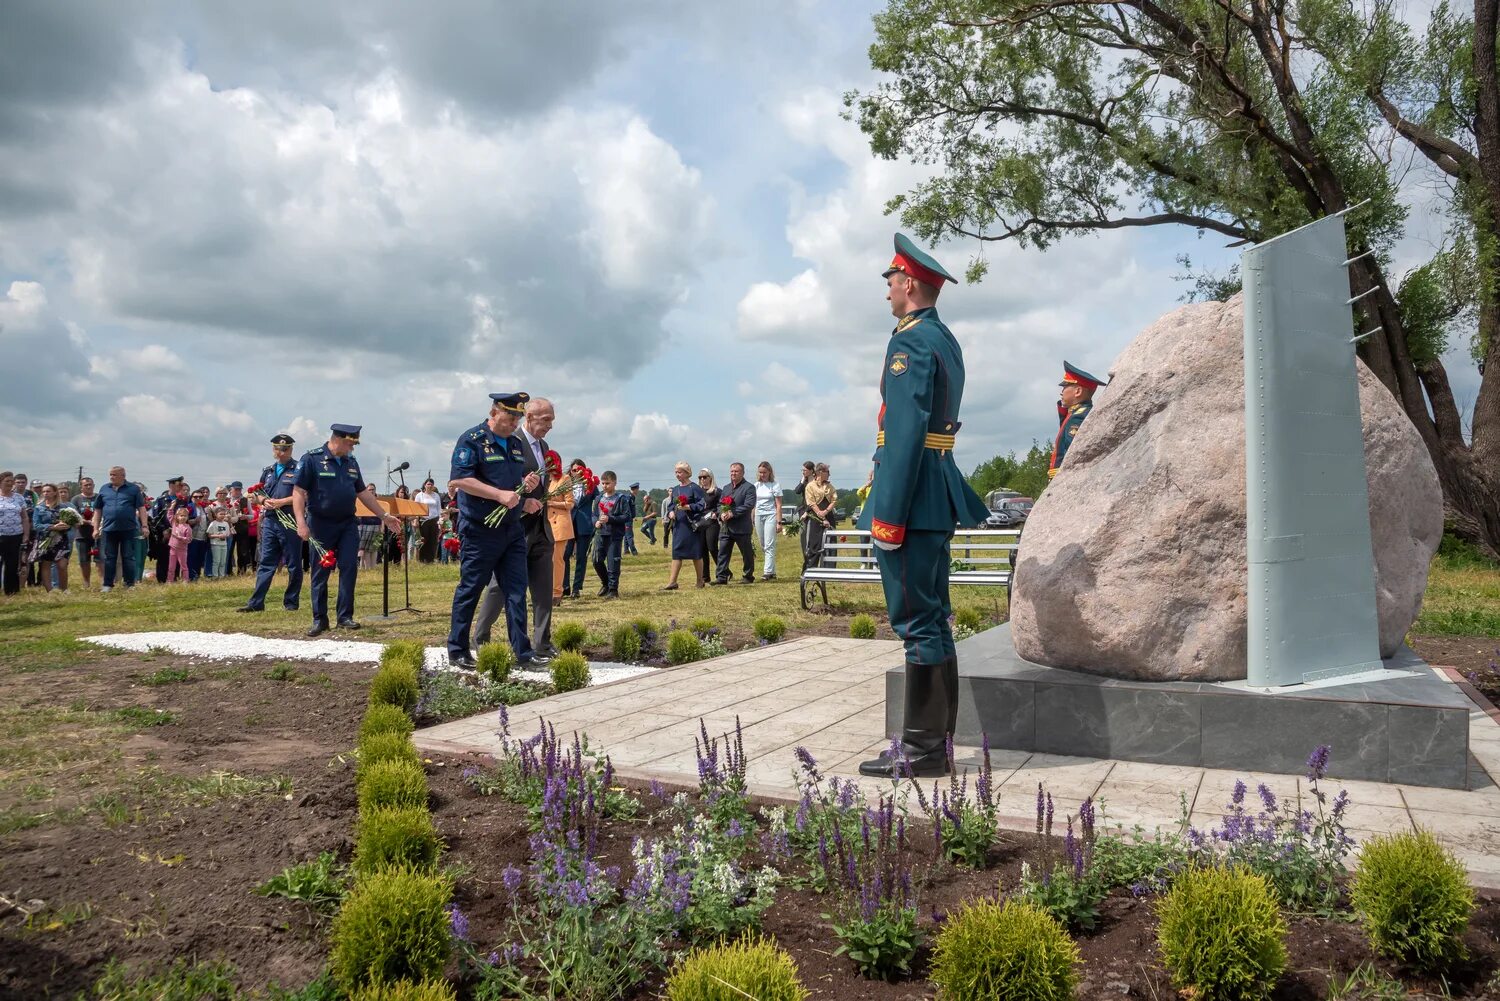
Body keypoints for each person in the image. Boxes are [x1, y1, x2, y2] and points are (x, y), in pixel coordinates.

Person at [856, 233, 990, 779]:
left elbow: (907, 430)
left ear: (908, 284)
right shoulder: (945, 339)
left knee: (917, 621)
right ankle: (933, 744)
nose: (886, 290)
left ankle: (922, 751)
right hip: (936, 493)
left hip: (911, 501)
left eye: (890, 280)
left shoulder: (908, 342)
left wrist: (886, 514)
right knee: (934, 619)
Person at [446, 392, 541, 668]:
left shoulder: (513, 444)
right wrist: (499, 495)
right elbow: (461, 479)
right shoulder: (471, 440)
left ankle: (522, 652)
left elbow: (511, 486)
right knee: (471, 588)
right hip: (480, 529)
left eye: (518, 418)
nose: (514, 423)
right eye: (510, 416)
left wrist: (525, 496)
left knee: (515, 590)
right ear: (494, 412)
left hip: (511, 529)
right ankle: (458, 649)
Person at [293, 423, 400, 636]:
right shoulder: (312, 459)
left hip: (348, 523)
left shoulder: (351, 462)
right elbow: (298, 491)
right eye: (351, 444)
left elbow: (363, 493)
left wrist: (384, 516)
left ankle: (344, 616)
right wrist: (301, 522)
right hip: (320, 524)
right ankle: (319, 619)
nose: (353, 448)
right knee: (321, 571)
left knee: (349, 567)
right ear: (339, 439)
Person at [474, 397, 556, 657]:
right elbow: (500, 483)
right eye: (545, 420)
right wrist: (521, 504)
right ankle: (481, 637)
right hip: (516, 526)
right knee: (501, 586)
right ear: (529, 417)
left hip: (541, 527)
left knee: (543, 587)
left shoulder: (543, 446)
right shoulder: (511, 442)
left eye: (552, 421)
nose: (550, 426)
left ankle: (542, 643)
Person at [239, 434, 305, 613]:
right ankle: (256, 602)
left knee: (293, 563)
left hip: (290, 520)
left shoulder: (299, 468)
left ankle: (291, 602)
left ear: (291, 449)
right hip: (270, 521)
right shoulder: (268, 470)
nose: (280, 452)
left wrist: (282, 501)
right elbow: (257, 493)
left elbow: (305, 495)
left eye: (284, 449)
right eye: (277, 448)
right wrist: (261, 500)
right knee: (266, 562)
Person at [92, 466, 148, 591]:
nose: (112, 477)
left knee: (128, 556)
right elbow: (98, 509)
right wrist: (95, 528)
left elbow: (141, 508)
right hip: (108, 529)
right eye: (110, 475)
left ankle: (129, 584)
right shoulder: (104, 489)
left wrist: (144, 526)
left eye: (114, 475)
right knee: (109, 557)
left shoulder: (133, 489)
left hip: (128, 528)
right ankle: (107, 584)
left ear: (123, 476)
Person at [1049, 361, 1108, 478]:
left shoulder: (1079, 417)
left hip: (1065, 477)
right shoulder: (1074, 413)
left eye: (1065, 386)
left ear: (1078, 391)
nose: (1061, 392)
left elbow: (1073, 451)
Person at [662, 462, 706, 590]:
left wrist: (689, 507)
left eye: (679, 472)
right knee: (677, 552)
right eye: (676, 472)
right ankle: (672, 582)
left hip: (692, 524)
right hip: (679, 524)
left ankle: (699, 580)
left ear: (687, 473)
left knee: (695, 553)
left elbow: (702, 505)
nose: (677, 474)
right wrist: (670, 511)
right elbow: (671, 504)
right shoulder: (675, 489)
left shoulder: (695, 488)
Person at [711, 462, 756, 585]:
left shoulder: (749, 487)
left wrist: (733, 513)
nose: (733, 473)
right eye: (731, 471)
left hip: (742, 527)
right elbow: (720, 504)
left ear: (742, 473)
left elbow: (749, 505)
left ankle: (748, 576)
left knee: (746, 554)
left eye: (736, 471)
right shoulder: (726, 488)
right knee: (723, 553)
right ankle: (721, 577)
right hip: (726, 527)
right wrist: (721, 514)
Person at [29, 484, 76, 592]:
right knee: (46, 564)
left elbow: (71, 523)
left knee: (62, 564)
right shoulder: (39, 508)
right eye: (44, 492)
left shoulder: (63, 507)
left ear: (55, 492)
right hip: (45, 540)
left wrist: (66, 526)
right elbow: (36, 525)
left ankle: (64, 589)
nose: (46, 493)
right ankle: (50, 590)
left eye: (48, 491)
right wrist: (52, 527)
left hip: (61, 539)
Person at [562, 458, 597, 599]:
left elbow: (599, 499)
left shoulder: (591, 484)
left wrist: (595, 518)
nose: (575, 472)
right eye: (573, 470)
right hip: (569, 522)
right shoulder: (566, 483)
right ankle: (565, 586)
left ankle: (577, 588)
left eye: (578, 469)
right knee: (565, 555)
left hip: (584, 523)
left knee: (581, 557)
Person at [592, 471, 629, 597]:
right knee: (596, 560)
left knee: (613, 561)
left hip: (614, 534)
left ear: (614, 482)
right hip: (601, 533)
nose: (604, 486)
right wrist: (596, 521)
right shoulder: (598, 498)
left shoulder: (621, 498)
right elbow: (594, 515)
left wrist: (611, 519)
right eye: (603, 483)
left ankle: (613, 589)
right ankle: (605, 583)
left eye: (607, 483)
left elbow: (626, 516)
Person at [545, 457, 575, 604]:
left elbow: (570, 504)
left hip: (559, 524)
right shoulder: (543, 479)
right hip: (544, 524)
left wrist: (550, 503)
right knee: (543, 561)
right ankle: (544, 592)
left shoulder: (565, 478)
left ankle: (556, 593)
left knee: (556, 560)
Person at [802, 463, 836, 569]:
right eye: (827, 472)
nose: (829, 475)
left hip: (828, 516)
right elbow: (811, 503)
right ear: (820, 472)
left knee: (830, 542)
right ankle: (811, 568)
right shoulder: (810, 486)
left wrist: (826, 511)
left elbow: (834, 500)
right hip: (815, 518)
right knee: (814, 544)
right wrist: (820, 514)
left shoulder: (830, 486)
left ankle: (830, 569)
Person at [0, 472, 28, 596]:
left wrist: (26, 535)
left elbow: (25, 518)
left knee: (12, 564)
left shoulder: (19, 498)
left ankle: (11, 591)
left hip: (15, 535)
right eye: (7, 481)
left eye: (12, 481)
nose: (10, 483)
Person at [753, 461, 782, 580]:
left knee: (769, 544)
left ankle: (767, 572)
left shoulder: (775, 485)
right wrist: (752, 519)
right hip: (759, 515)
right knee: (763, 544)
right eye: (760, 472)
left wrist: (779, 522)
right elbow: (753, 504)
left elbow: (779, 505)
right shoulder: (756, 486)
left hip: (771, 514)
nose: (762, 474)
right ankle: (773, 572)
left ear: (769, 472)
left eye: (764, 472)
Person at [71, 476, 100, 587]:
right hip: (82, 535)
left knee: (100, 559)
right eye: (86, 485)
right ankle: (86, 582)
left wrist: (97, 522)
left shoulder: (99, 497)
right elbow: (74, 516)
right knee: (84, 560)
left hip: (98, 534)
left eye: (90, 484)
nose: (88, 487)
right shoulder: (76, 499)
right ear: (81, 487)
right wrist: (88, 522)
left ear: (94, 486)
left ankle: (103, 581)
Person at [695, 469, 721, 586]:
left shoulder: (716, 492)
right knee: (702, 550)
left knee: (712, 547)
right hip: (701, 523)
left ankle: (723, 571)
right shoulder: (698, 492)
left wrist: (717, 513)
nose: (702, 479)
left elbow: (720, 506)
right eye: (700, 477)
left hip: (712, 522)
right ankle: (705, 577)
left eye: (705, 477)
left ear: (710, 477)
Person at [414, 477, 442, 563]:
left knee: (433, 540)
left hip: (434, 519)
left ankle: (431, 559)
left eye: (431, 484)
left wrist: (440, 520)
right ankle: (422, 559)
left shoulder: (436, 495)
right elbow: (416, 508)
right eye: (428, 484)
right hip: (423, 520)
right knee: (424, 540)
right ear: (425, 485)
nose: (430, 486)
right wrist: (416, 520)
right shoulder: (420, 495)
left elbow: (439, 508)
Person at [167, 507, 192, 582]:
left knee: (183, 566)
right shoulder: (174, 524)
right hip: (173, 548)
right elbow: (169, 515)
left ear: (187, 517)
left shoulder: (188, 528)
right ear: (177, 516)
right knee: (171, 567)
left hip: (182, 550)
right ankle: (169, 580)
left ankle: (185, 580)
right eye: (181, 516)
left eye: (185, 516)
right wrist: (171, 507)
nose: (183, 517)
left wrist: (179, 537)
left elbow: (189, 539)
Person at [207, 507, 233, 577]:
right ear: (215, 514)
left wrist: (225, 535)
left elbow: (228, 534)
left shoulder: (226, 524)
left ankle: (221, 576)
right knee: (216, 561)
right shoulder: (213, 523)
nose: (222, 516)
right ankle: (215, 576)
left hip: (224, 544)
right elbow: (209, 535)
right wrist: (218, 536)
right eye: (220, 514)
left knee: (223, 561)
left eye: (224, 514)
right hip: (215, 544)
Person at [621, 482, 640, 556]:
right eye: (638, 489)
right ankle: (634, 552)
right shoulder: (628, 498)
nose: (638, 491)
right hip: (627, 520)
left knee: (626, 535)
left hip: (629, 519)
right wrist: (629, 517)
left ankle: (626, 550)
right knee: (630, 535)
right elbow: (627, 509)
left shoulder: (632, 497)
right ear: (635, 489)